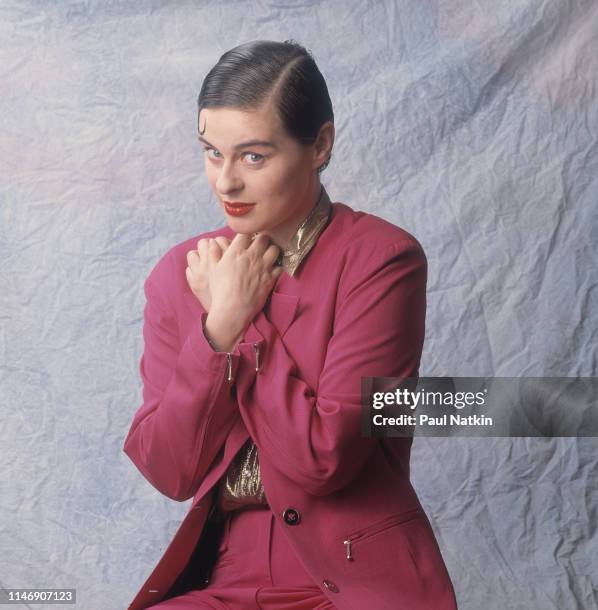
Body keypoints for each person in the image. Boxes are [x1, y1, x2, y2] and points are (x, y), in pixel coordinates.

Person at [123, 39, 458, 610]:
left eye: (253, 156)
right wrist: (215, 330)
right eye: (212, 152)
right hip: (225, 574)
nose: (225, 182)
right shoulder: (181, 275)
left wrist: (239, 321)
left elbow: (325, 459)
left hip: (353, 577)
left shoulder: (382, 260)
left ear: (319, 145)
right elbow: (167, 469)